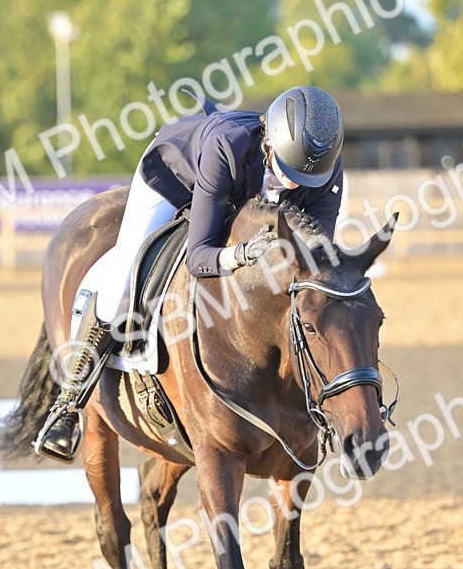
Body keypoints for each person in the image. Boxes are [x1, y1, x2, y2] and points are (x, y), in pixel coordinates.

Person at [36, 84, 345, 461]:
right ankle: (68, 404)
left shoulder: (324, 170)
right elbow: (200, 257)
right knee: (121, 280)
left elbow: (314, 269)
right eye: (288, 170)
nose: (296, 184)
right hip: (173, 178)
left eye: (306, 178)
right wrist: (244, 253)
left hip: (234, 190)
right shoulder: (227, 146)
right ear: (270, 144)